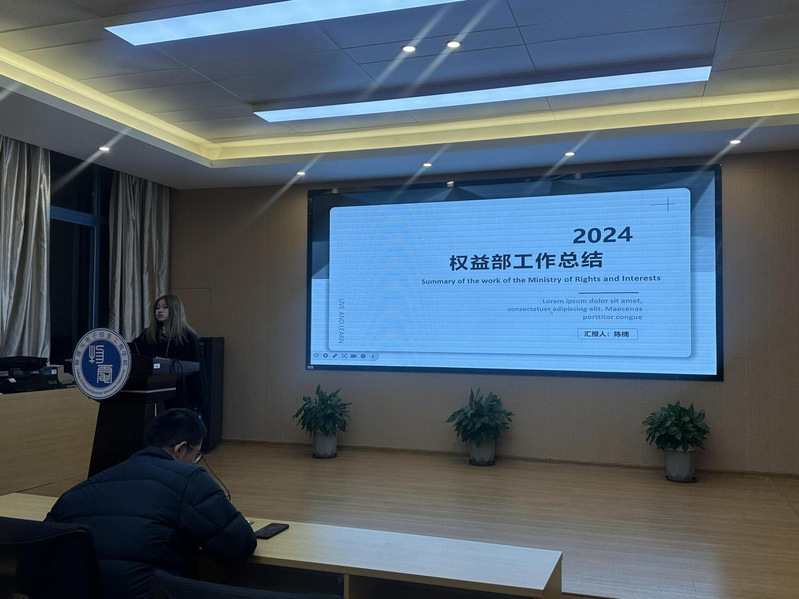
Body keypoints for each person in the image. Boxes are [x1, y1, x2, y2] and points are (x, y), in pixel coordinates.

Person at [45, 409, 257, 599]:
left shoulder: (78, 491)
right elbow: (239, 546)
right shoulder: (190, 480)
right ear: (180, 449)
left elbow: (39, 553)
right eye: (196, 455)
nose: (195, 462)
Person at [130, 294, 201, 362]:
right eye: (157, 308)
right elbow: (133, 351)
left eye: (165, 307)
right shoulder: (148, 334)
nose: (160, 311)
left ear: (175, 310)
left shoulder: (189, 337)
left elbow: (198, 367)